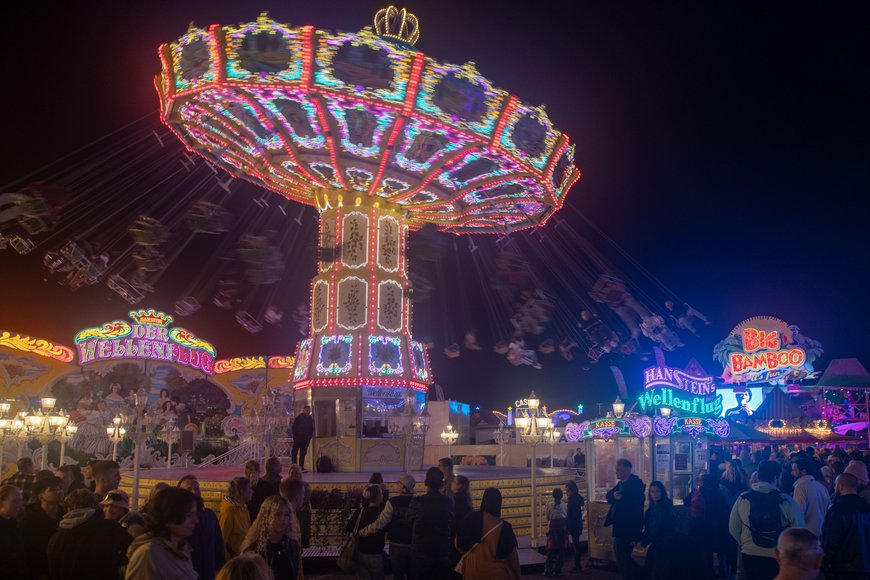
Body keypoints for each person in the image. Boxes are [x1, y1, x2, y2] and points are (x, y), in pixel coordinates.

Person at [729, 460, 805, 580]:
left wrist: (745, 542)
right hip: (778, 555)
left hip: (749, 554)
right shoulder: (785, 501)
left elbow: (733, 528)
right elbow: (799, 529)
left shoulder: (743, 498)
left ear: (758, 476)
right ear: (776, 477)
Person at [46, 488, 131, 580]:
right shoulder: (109, 528)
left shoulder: (56, 538)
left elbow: (53, 571)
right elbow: (132, 552)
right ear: (93, 505)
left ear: (68, 508)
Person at [125, 486, 198, 580]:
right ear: (169, 515)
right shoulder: (148, 555)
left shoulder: (183, 550)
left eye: (196, 514)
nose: (196, 520)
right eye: (189, 515)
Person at [358, 473, 416, 580]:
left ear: (404, 486)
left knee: (398, 576)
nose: (397, 485)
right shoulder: (418, 502)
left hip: (396, 545)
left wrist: (364, 531)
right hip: (414, 545)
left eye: (399, 483)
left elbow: (381, 522)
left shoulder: (392, 502)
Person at [456, 487, 521, 580]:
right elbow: (513, 558)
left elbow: (458, 544)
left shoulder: (470, 519)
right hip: (498, 574)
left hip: (472, 573)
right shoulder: (504, 527)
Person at [820, 473, 870, 579]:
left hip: (843, 569)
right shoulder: (866, 507)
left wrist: (823, 565)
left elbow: (830, 540)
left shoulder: (838, 509)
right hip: (865, 568)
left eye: (835, 485)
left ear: (841, 486)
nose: (834, 487)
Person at [408, 467, 454, 579]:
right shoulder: (447, 502)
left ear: (426, 483)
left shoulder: (417, 501)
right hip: (440, 550)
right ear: (441, 484)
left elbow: (409, 521)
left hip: (421, 551)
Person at [178, 475, 225, 580]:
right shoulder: (178, 520)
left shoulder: (210, 515)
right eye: (189, 490)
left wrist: (220, 568)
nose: (194, 493)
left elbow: (218, 545)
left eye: (196, 488)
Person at [244, 496, 302, 580]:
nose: (283, 519)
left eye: (286, 514)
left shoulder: (292, 545)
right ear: (266, 517)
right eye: (278, 514)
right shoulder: (254, 549)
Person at [606, 458, 646, 580]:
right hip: (620, 529)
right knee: (622, 559)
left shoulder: (635, 485)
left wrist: (619, 498)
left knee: (624, 560)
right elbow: (609, 496)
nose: (616, 471)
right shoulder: (621, 484)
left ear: (627, 469)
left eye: (618, 469)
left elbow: (633, 507)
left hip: (628, 530)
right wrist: (614, 496)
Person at [19, 475, 65, 580]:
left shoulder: (65, 514)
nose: (59, 492)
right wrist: (38, 573)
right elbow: (26, 549)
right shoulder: (30, 518)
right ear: (41, 496)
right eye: (53, 490)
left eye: (60, 488)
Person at [688, 473, 730, 578]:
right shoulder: (719, 494)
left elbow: (685, 501)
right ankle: (716, 574)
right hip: (716, 529)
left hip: (700, 527)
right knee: (715, 554)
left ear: (703, 481)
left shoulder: (699, 492)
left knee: (702, 554)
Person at [345, 485, 386, 580]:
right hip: (376, 554)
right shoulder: (383, 514)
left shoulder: (359, 512)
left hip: (360, 553)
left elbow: (348, 529)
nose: (382, 495)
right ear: (378, 497)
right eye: (381, 493)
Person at [637, 481, 676, 579]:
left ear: (662, 492)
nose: (654, 494)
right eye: (652, 492)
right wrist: (639, 539)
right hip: (656, 542)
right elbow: (648, 529)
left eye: (657, 491)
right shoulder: (650, 510)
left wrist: (644, 541)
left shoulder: (666, 507)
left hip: (665, 544)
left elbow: (660, 527)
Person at [790, 458, 830, 537]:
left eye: (794, 470)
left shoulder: (800, 486)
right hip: (821, 532)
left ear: (803, 471)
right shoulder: (821, 487)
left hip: (807, 534)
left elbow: (798, 513)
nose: (792, 473)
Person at [219, 476, 252, 560]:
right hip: (233, 560)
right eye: (249, 489)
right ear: (242, 491)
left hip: (243, 557)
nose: (252, 491)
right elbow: (221, 540)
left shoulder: (243, 508)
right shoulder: (229, 511)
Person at [0, 484, 25, 579]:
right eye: (15, 501)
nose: (19, 505)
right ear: (2, 503)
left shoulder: (13, 521)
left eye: (20, 501)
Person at [451, 475, 473, 576]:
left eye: (454, 482)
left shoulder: (457, 499)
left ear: (459, 485)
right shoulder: (465, 499)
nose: (452, 484)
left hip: (455, 538)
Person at [287, 464, 312, 548]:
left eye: (296, 473)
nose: (294, 475)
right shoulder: (285, 486)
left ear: (300, 475)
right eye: (292, 472)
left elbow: (306, 499)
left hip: (302, 514)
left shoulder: (305, 486)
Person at [545, 488, 567, 577]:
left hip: (553, 528)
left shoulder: (549, 505)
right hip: (562, 528)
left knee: (550, 550)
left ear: (553, 495)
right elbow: (566, 516)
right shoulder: (565, 505)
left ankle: (548, 570)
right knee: (561, 550)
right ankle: (558, 570)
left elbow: (547, 517)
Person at [565, 480, 585, 572]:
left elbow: (570, 515)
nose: (566, 491)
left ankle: (577, 565)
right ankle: (577, 564)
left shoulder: (572, 500)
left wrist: (567, 526)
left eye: (567, 489)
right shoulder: (577, 498)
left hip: (574, 525)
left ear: (570, 489)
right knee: (576, 543)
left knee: (576, 545)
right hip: (578, 523)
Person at [290, 406, 314, 471]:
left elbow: (311, 429)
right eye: (306, 411)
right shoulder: (299, 418)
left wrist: (309, 437)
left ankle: (301, 466)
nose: (308, 412)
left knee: (303, 453)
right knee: (295, 452)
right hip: (298, 438)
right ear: (303, 410)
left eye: (308, 411)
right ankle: (294, 466)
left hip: (305, 439)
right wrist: (296, 436)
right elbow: (294, 427)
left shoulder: (310, 419)